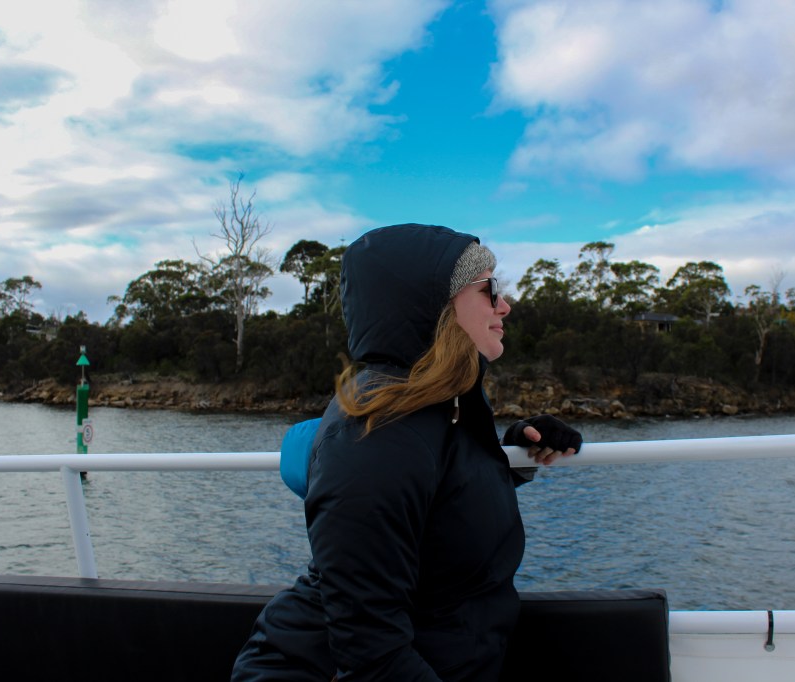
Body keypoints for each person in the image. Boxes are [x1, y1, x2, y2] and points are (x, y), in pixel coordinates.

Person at [232, 223, 582, 681]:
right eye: (489, 290)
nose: (505, 306)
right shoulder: (378, 433)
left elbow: (439, 502)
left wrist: (512, 454)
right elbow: (369, 649)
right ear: (436, 304)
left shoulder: (442, 405)